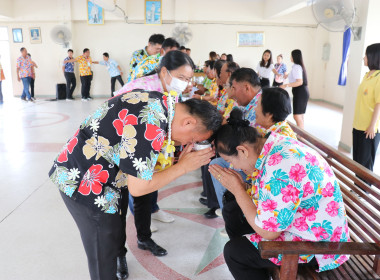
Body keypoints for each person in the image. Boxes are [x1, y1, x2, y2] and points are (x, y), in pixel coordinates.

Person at [49, 77, 222, 280]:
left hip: (101, 176)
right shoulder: (150, 122)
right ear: (189, 122)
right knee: (102, 253)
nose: (187, 144)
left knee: (112, 237)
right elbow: (139, 188)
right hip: (86, 183)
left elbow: (139, 166)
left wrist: (177, 164)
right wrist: (183, 167)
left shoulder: (161, 102)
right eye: (192, 139)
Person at [209, 110, 350, 280]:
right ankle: (257, 264)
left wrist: (239, 189)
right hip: (302, 223)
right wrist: (240, 188)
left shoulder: (281, 167)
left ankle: (254, 262)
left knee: (234, 253)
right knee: (232, 212)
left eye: (231, 161)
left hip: (318, 244)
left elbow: (269, 233)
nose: (234, 167)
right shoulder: (274, 143)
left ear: (243, 151)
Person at [206, 68, 262, 220]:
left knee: (218, 164)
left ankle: (235, 216)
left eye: (233, 88)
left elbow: (251, 144)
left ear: (246, 87)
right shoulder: (250, 103)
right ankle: (230, 213)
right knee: (216, 164)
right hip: (247, 156)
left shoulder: (260, 105)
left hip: (255, 162)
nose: (231, 92)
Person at [352, 43, 380, 175]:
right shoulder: (367, 75)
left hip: (369, 129)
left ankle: (364, 192)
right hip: (358, 125)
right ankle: (357, 190)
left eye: (366, 55)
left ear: (374, 57)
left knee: (365, 163)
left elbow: (379, 104)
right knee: (357, 161)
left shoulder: (379, 77)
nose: (364, 58)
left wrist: (372, 126)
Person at [280, 49, 309, 129]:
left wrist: (286, 85)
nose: (290, 57)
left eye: (291, 55)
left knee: (297, 116)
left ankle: (301, 137)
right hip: (302, 92)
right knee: (300, 116)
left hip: (300, 92)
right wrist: (287, 75)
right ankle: (302, 136)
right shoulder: (298, 66)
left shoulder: (297, 67)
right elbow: (296, 76)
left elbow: (299, 82)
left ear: (294, 56)